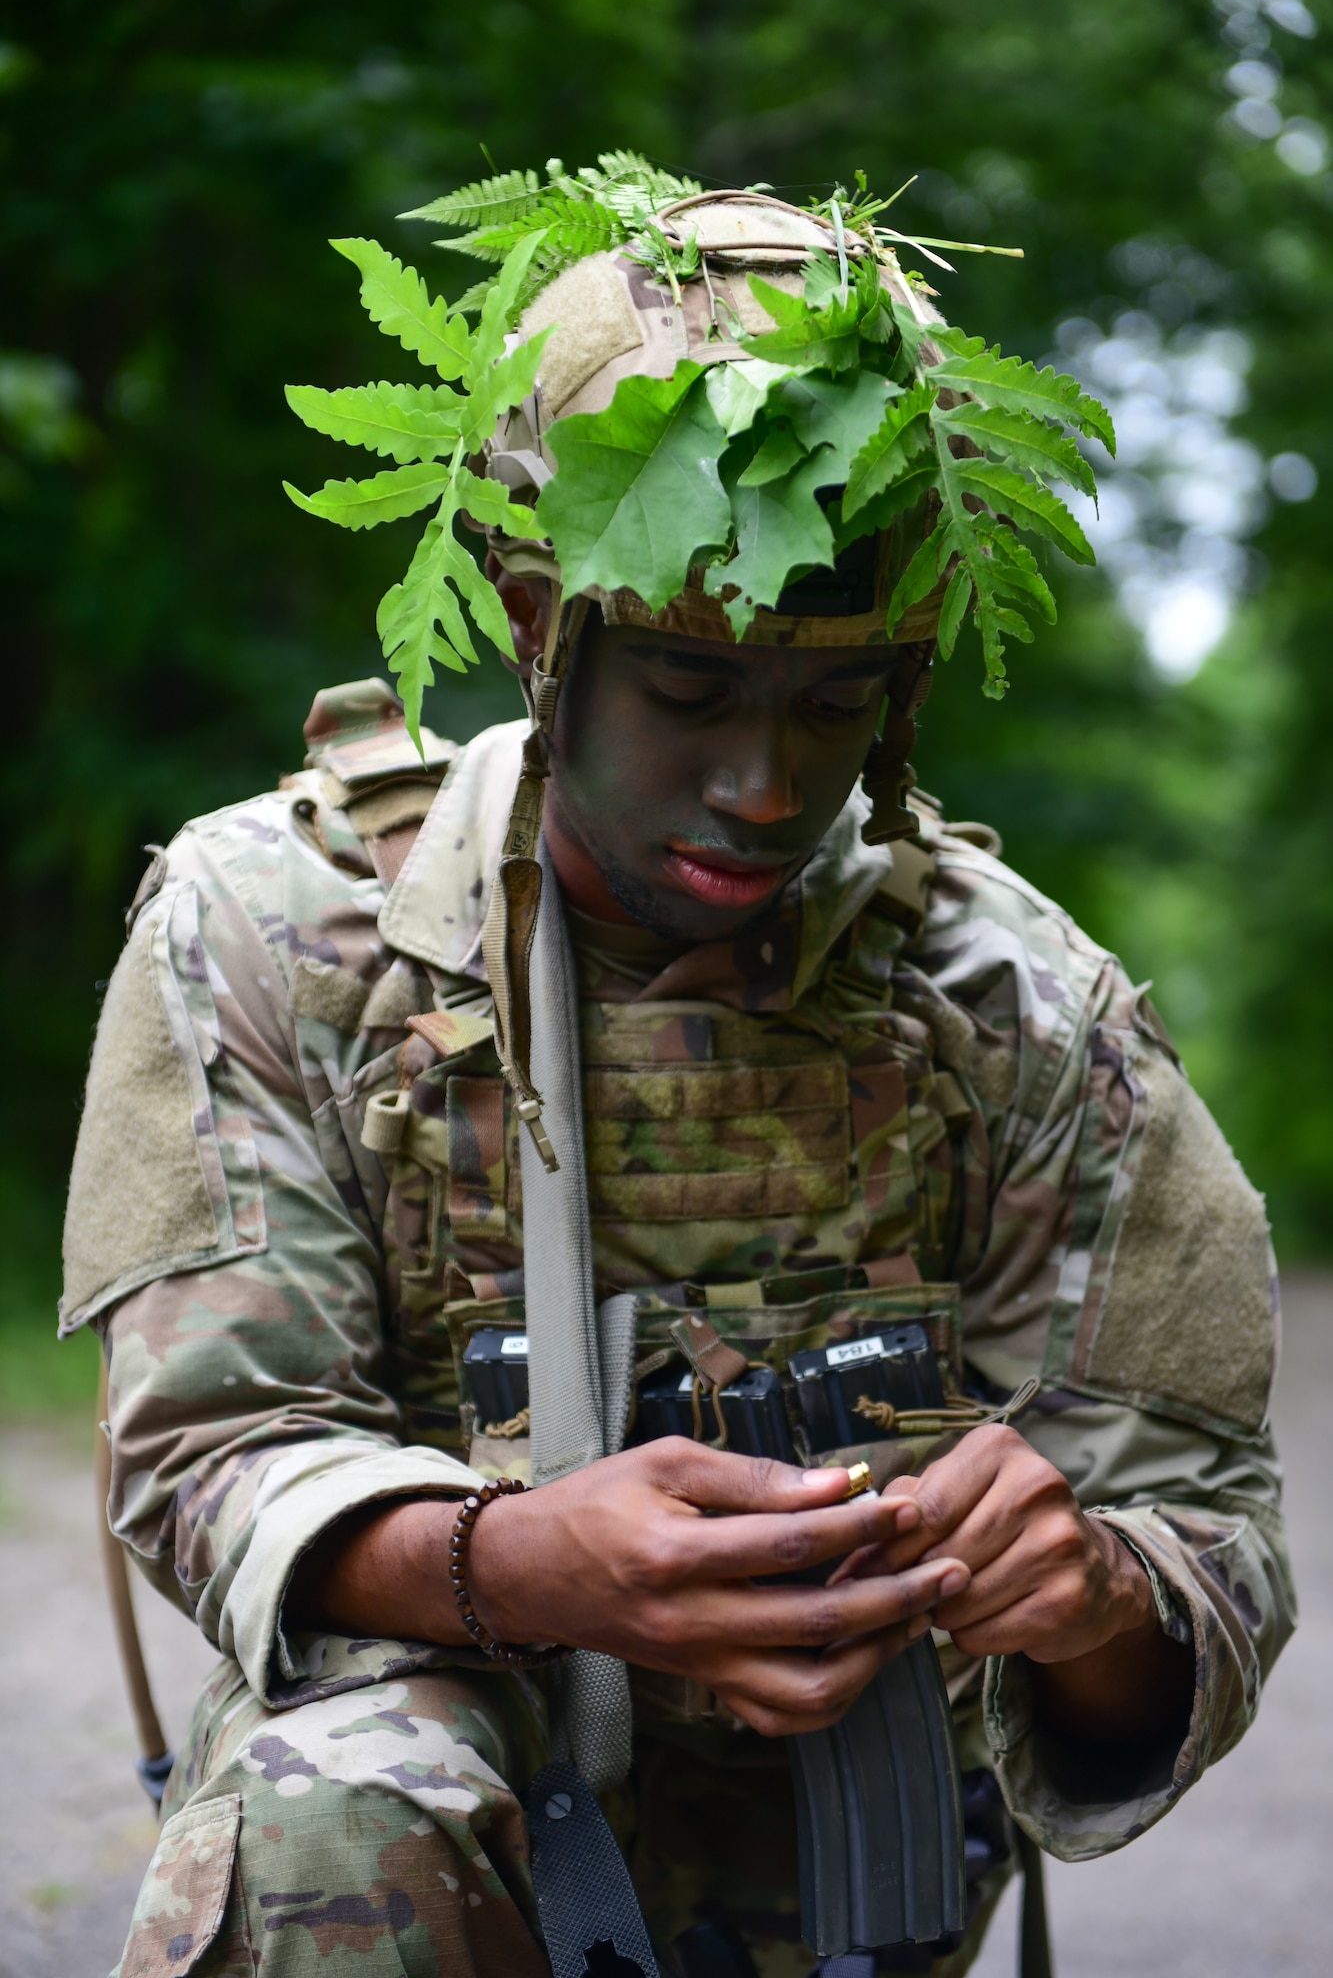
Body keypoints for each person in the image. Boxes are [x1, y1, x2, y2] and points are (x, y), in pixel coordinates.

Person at [61, 178, 1294, 1978]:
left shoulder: (1018, 1000)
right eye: (692, 691)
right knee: (337, 1799)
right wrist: (509, 1567)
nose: (766, 788)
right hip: (436, 1834)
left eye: (831, 703)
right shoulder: (275, 932)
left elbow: (1206, 1538)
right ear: (534, 621)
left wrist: (1085, 1591)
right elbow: (208, 1453)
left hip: (847, 1861)